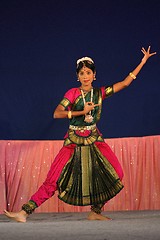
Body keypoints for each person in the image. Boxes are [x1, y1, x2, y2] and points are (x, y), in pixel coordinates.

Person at [4, 46, 156, 222]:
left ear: (94, 75)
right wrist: (81, 112)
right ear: (77, 76)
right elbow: (57, 113)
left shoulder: (99, 93)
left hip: (94, 139)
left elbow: (124, 83)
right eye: (82, 73)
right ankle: (24, 212)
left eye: (88, 72)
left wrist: (143, 62)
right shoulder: (72, 93)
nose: (85, 76)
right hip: (73, 141)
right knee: (53, 179)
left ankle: (95, 211)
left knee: (117, 173)